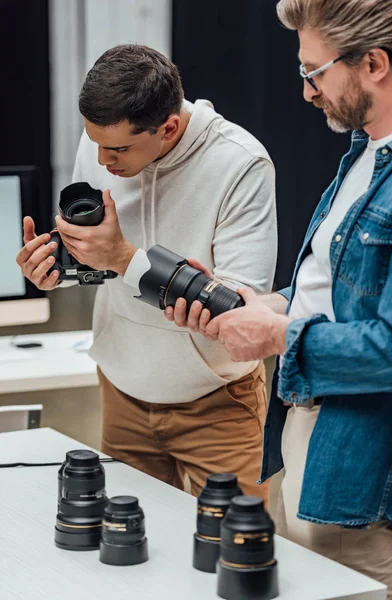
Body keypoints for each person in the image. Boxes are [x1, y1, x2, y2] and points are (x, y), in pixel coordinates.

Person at [193, 0, 392, 596]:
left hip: (365, 475)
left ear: (374, 64)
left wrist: (277, 336)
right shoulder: (365, 155)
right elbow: (342, 294)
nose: (307, 92)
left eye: (315, 72)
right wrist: (264, 304)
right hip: (310, 447)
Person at [16, 44, 277, 501]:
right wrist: (55, 271)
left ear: (169, 126)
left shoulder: (240, 164)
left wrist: (121, 256)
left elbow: (240, 313)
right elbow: (97, 265)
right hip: (123, 395)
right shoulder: (104, 140)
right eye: (93, 142)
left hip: (216, 404)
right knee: (128, 557)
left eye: (116, 149)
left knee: (235, 558)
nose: (101, 161)